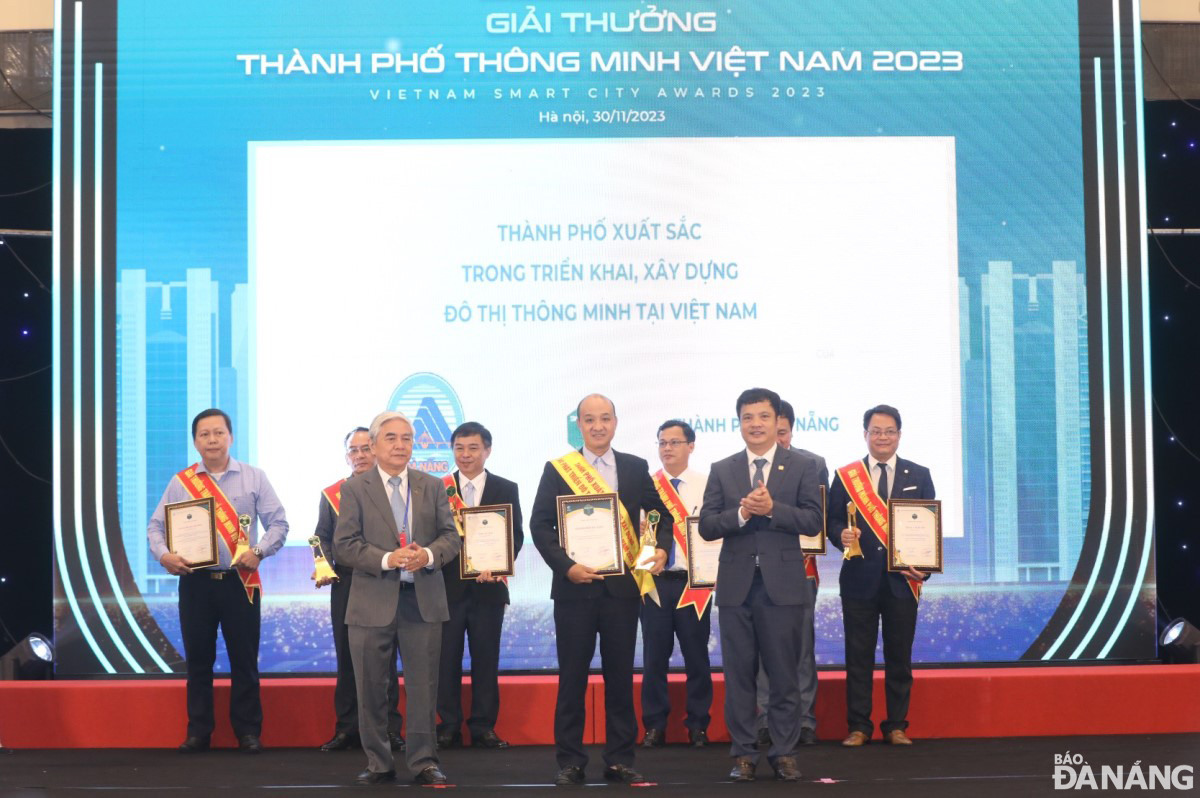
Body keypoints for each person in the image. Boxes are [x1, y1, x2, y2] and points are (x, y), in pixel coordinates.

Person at [530, 393, 673, 786]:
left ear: (615, 422)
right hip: (574, 590)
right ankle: (570, 761)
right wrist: (567, 567)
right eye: (589, 419)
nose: (597, 426)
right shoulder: (558, 469)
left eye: (605, 418)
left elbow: (660, 514)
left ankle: (620, 759)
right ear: (578, 424)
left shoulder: (634, 466)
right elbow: (540, 526)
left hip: (622, 593)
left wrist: (659, 549)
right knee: (572, 678)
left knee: (620, 678)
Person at [699, 388, 825, 782]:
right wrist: (739, 514)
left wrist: (773, 510)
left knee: (784, 674)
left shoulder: (805, 465)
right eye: (748, 417)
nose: (755, 424)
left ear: (777, 421)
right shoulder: (723, 468)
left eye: (763, 416)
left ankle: (784, 753)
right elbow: (706, 526)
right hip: (737, 587)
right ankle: (743, 755)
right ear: (739, 422)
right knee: (738, 677)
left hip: (784, 586)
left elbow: (813, 521)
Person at [147, 408, 289, 754]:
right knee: (198, 660)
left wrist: (258, 550)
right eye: (204, 434)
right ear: (195, 442)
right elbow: (156, 528)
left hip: (240, 581)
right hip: (195, 582)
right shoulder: (181, 482)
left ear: (231, 437)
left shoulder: (254, 477)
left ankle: (248, 733)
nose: (212, 439)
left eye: (218, 433)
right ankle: (198, 732)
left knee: (244, 659)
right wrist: (165, 555)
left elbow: (279, 524)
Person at [333, 411, 461, 785]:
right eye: (391, 438)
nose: (401, 444)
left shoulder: (432, 485)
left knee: (423, 685)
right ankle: (379, 762)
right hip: (372, 600)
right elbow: (344, 545)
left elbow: (450, 538)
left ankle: (423, 761)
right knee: (371, 686)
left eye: (407, 438)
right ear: (373, 445)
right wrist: (388, 559)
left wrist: (428, 555)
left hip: (421, 599)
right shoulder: (355, 488)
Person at [827, 404, 934, 747]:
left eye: (889, 431)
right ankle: (859, 726)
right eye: (876, 431)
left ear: (899, 435)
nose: (883, 437)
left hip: (903, 582)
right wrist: (840, 535)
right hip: (859, 579)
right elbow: (831, 521)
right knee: (858, 657)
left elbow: (928, 529)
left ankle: (896, 725)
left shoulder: (918, 475)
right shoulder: (846, 476)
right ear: (865, 435)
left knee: (899, 657)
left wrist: (925, 569)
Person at [313, 426, 405, 753]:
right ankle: (347, 729)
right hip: (347, 583)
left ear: (377, 451)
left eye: (366, 448)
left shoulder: (393, 490)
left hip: (385, 580)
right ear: (346, 456)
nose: (360, 455)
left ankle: (390, 729)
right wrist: (323, 565)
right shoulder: (333, 494)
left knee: (385, 660)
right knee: (347, 658)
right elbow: (321, 537)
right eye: (354, 450)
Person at [437, 421, 524, 750]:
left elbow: (515, 535)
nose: (465, 454)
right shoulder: (438, 488)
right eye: (459, 448)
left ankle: (484, 726)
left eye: (473, 448)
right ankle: (448, 725)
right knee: (446, 662)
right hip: (447, 590)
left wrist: (499, 566)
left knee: (486, 660)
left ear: (487, 450)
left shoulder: (506, 487)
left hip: (489, 590)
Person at [752, 401, 823, 748]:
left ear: (790, 430)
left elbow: (815, 517)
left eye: (780, 431)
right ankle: (766, 717)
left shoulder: (811, 465)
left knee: (802, 647)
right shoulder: (744, 467)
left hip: (801, 568)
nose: (774, 437)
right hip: (760, 570)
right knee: (764, 648)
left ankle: (805, 719)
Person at [639, 419, 713, 748]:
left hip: (693, 583)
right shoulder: (645, 487)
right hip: (653, 582)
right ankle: (655, 726)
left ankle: (698, 724)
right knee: (654, 657)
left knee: (697, 656)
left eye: (674, 442)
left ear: (691, 446)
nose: (667, 448)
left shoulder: (708, 484)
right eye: (662, 442)